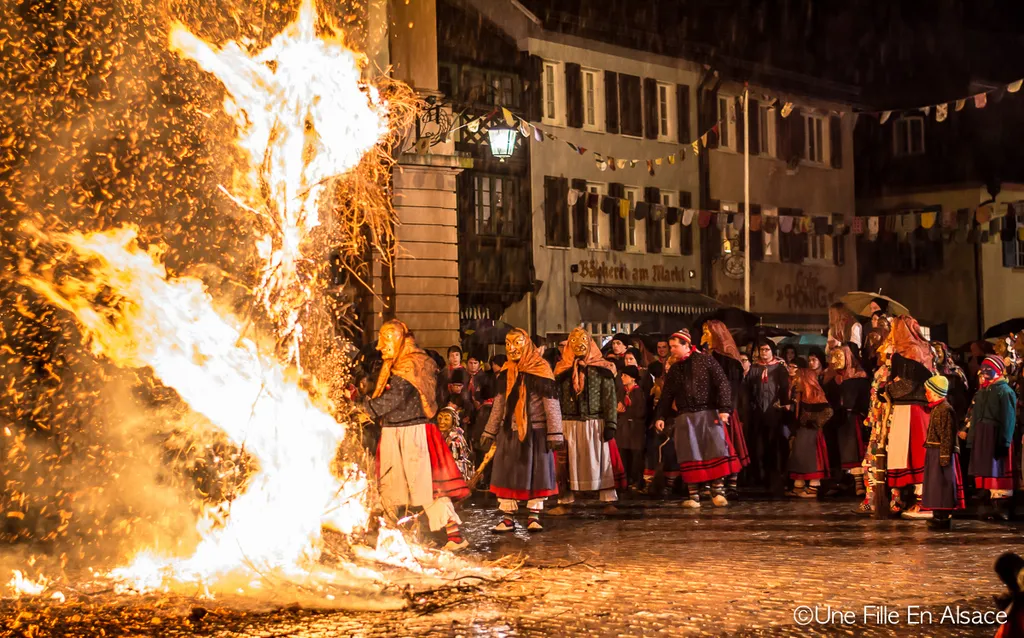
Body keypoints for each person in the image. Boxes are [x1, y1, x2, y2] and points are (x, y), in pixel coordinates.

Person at [364, 320, 470, 551]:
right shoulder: (396, 363)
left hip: (412, 433)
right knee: (390, 485)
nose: (381, 346)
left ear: (399, 338)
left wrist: (366, 408)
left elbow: (394, 399)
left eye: (387, 339)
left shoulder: (411, 364)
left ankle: (455, 536)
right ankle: (388, 535)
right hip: (395, 431)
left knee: (425, 486)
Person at [480, 328, 562, 532]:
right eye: (508, 344)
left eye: (516, 343)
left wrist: (555, 432)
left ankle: (534, 515)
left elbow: (551, 404)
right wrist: (489, 431)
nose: (512, 349)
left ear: (526, 344)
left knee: (536, 474)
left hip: (536, 431)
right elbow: (499, 404)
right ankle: (507, 517)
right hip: (510, 430)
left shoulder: (540, 369)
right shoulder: (506, 372)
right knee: (508, 473)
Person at [654, 329, 739, 508]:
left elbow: (722, 383)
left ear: (687, 345)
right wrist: (660, 415)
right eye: (670, 347)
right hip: (685, 417)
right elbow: (667, 395)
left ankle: (718, 491)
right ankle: (694, 496)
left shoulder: (706, 360)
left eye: (675, 346)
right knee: (689, 453)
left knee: (714, 450)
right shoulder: (675, 369)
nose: (672, 350)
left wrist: (724, 409)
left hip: (707, 414)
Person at [551, 327, 620, 513]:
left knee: (600, 461)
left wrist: (611, 423)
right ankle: (565, 500)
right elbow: (554, 399)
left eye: (582, 340)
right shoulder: (561, 371)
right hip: (568, 423)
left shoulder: (603, 369)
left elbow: (609, 397)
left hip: (595, 422)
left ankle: (608, 500)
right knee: (566, 463)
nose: (578, 345)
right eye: (574, 341)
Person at [883, 316, 936, 516]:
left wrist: (887, 391)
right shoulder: (921, 349)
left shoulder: (911, 351)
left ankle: (924, 502)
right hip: (912, 408)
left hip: (911, 408)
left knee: (914, 453)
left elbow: (907, 383)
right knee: (907, 453)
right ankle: (913, 499)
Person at [961, 355, 1018, 521]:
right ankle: (993, 505)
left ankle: (1003, 506)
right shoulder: (982, 392)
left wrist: (1005, 441)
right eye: (983, 368)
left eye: (989, 369)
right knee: (988, 470)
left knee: (999, 468)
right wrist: (972, 438)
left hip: (996, 435)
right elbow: (975, 416)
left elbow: (1008, 418)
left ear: (998, 370)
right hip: (983, 435)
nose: (984, 372)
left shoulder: (1004, 391)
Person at [701, 320, 750, 497]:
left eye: (707, 332)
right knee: (711, 447)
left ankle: (731, 484)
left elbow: (734, 389)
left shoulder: (731, 362)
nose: (704, 336)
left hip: (725, 409)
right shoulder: (706, 357)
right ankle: (711, 482)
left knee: (729, 445)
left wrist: (727, 409)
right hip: (708, 408)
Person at [913, 375, 964, 528]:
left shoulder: (945, 410)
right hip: (935, 452)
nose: (926, 394)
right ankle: (937, 514)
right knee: (935, 485)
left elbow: (947, 435)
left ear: (936, 392)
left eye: (928, 391)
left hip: (941, 452)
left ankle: (942, 516)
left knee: (941, 484)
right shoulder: (937, 408)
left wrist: (944, 457)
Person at [745, 338, 791, 494]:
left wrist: (784, 404)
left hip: (774, 411)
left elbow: (785, 388)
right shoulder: (755, 368)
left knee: (774, 446)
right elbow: (748, 389)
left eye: (766, 350)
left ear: (773, 351)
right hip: (757, 412)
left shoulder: (779, 368)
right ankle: (760, 478)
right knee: (758, 446)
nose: (763, 353)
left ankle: (775, 481)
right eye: (761, 350)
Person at [823, 345, 870, 496]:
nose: (835, 360)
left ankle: (858, 482)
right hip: (834, 420)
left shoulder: (859, 378)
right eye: (833, 357)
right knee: (834, 450)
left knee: (853, 450)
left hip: (852, 419)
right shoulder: (830, 379)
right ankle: (839, 481)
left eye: (839, 356)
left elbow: (864, 400)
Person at [787, 368, 833, 498]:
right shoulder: (798, 395)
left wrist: (814, 422)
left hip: (812, 433)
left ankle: (813, 487)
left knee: (812, 459)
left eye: (798, 378)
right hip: (801, 431)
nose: (796, 381)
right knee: (799, 457)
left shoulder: (816, 395)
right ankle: (798, 485)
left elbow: (828, 412)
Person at [616, 365, 648, 490]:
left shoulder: (639, 392)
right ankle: (624, 481)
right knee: (623, 455)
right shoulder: (621, 391)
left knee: (636, 456)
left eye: (625, 375)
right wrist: (618, 411)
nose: (622, 378)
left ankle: (637, 481)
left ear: (633, 378)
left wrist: (625, 410)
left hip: (635, 429)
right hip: (623, 428)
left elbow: (641, 412)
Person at [436, 405, 474, 483]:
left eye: (446, 419)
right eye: (440, 418)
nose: (442, 422)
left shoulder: (456, 438)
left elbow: (453, 459)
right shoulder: (439, 434)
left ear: (453, 421)